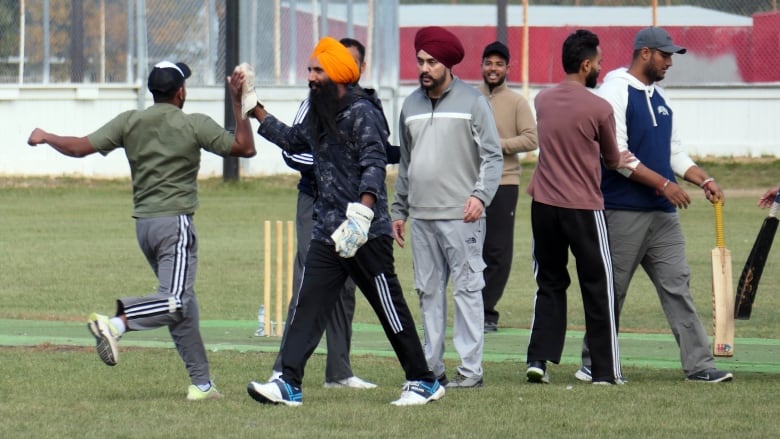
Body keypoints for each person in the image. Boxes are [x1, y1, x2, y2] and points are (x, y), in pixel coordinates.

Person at [26, 61, 257, 400]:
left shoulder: (130, 121)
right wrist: (238, 103)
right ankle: (115, 324)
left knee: (183, 305)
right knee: (175, 301)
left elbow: (79, 147)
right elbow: (244, 148)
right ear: (181, 93)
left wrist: (46, 136)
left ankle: (203, 385)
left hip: (145, 229)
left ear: (153, 92)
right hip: (176, 225)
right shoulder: (193, 124)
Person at [245, 36, 444, 406]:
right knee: (308, 305)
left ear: (338, 73)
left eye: (318, 70)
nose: (311, 76)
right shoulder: (322, 111)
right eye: (309, 69)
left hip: (365, 231)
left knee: (388, 307)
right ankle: (288, 382)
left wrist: (363, 212)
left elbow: (374, 160)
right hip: (328, 231)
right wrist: (253, 106)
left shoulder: (362, 111)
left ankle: (423, 380)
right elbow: (292, 140)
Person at [577, 26, 733, 383]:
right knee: (611, 291)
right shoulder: (614, 91)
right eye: (665, 55)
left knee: (678, 286)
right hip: (622, 210)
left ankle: (700, 367)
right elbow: (616, 156)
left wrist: (703, 179)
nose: (669, 62)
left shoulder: (661, 98)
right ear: (644, 53)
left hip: (662, 216)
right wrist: (664, 185)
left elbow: (674, 152)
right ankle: (592, 363)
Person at [270, 37, 394, 390]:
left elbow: (376, 153)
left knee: (347, 287)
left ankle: (339, 371)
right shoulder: (314, 103)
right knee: (309, 285)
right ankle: (284, 370)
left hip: (357, 208)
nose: (318, 75)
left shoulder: (367, 106)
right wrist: (331, 164)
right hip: (316, 202)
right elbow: (294, 151)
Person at [390, 26, 503, 389]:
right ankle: (431, 369)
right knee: (428, 291)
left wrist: (480, 196)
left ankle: (470, 372)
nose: (424, 68)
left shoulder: (473, 102)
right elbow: (406, 164)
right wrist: (398, 210)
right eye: (420, 60)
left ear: (448, 64)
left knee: (468, 291)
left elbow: (493, 156)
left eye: (431, 62)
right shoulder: (409, 105)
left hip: (463, 216)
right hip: (421, 217)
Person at [525, 29, 629, 385]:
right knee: (598, 286)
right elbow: (613, 159)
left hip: (543, 204)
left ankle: (538, 359)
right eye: (598, 62)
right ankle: (605, 371)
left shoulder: (542, 99)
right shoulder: (600, 107)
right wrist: (619, 157)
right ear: (586, 65)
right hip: (583, 207)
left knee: (550, 282)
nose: (601, 68)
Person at [477, 41, 538, 333]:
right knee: (470, 248)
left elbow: (531, 139)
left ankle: (487, 311)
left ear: (507, 69)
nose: (493, 68)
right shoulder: (468, 97)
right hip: (470, 183)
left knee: (498, 251)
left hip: (505, 182)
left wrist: (496, 145)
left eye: (499, 64)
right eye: (489, 63)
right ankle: (470, 307)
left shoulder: (516, 102)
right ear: (482, 66)